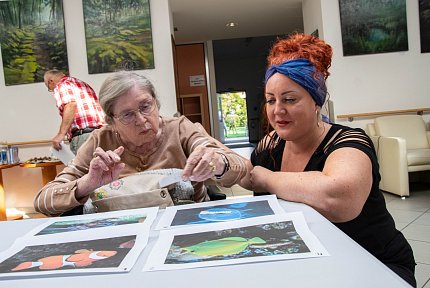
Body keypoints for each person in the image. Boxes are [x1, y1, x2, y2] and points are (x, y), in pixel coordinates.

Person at [239, 33, 416, 287]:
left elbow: (338, 197)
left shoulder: (350, 141)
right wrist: (222, 163)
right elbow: (248, 173)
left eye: (289, 99)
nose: (277, 110)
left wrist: (267, 178)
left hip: (373, 264)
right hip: (315, 266)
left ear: (316, 102)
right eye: (270, 100)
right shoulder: (270, 145)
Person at [34, 71, 248, 216]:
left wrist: (218, 162)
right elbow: (43, 201)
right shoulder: (100, 141)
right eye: (127, 115)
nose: (141, 119)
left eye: (146, 106)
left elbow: (242, 168)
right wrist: (87, 183)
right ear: (111, 121)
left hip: (183, 227)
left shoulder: (180, 128)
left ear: (156, 102)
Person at [44, 70, 106, 154]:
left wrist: (61, 134)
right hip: (101, 134)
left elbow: (70, 105)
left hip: (84, 137)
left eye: (49, 88)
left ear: (50, 81)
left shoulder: (62, 85)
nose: (52, 90)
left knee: (84, 167)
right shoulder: (82, 84)